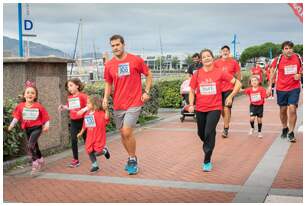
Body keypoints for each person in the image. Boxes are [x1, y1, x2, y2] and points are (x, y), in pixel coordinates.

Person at [103, 34, 153, 175]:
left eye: (118, 45)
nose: (115, 48)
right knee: (123, 135)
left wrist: (146, 91)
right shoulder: (109, 65)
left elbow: (149, 74)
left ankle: (132, 159)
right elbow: (108, 83)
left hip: (134, 101)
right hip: (119, 104)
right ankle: (131, 157)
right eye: (113, 46)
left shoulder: (135, 60)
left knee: (127, 131)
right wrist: (105, 98)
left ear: (123, 45)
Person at [188, 49, 241, 172]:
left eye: (209, 56)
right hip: (200, 108)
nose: (206, 58)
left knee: (208, 132)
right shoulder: (197, 74)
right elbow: (191, 90)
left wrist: (230, 96)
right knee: (201, 133)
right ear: (201, 60)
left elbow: (237, 83)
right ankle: (210, 139)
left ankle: (207, 160)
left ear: (213, 58)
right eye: (204, 57)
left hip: (215, 108)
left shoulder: (219, 73)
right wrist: (191, 104)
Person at [8, 81, 50, 176]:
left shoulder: (39, 106)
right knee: (35, 145)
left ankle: (35, 163)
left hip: (37, 128)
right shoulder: (20, 106)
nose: (30, 94)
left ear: (35, 96)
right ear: (24, 95)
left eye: (32, 93)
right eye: (28, 92)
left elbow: (46, 117)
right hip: (27, 128)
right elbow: (16, 117)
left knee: (30, 145)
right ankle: (40, 159)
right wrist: (11, 125)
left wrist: (47, 125)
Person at [267, 41, 303, 142]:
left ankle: (291, 132)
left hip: (294, 88)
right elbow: (272, 73)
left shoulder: (298, 58)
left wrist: (300, 75)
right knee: (283, 110)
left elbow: (303, 69)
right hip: (281, 88)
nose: (288, 50)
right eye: (286, 49)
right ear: (282, 50)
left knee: (292, 109)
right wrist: (270, 86)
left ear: (293, 49)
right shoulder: (278, 60)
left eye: (290, 48)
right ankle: (284, 127)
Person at [58, 78, 88, 167]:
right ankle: (76, 159)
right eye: (68, 87)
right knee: (73, 140)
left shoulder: (83, 96)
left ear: (77, 86)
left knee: (87, 141)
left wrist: (83, 110)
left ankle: (97, 152)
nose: (69, 88)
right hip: (74, 121)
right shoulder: (70, 97)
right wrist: (64, 107)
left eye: (71, 85)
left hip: (83, 121)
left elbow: (89, 105)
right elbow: (70, 107)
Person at [77, 96, 111, 173]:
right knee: (89, 150)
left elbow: (106, 118)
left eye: (88, 103)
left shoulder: (100, 113)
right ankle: (95, 165)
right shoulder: (87, 113)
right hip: (90, 136)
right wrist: (81, 132)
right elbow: (84, 124)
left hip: (98, 135)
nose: (87, 105)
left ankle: (104, 150)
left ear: (95, 104)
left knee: (97, 151)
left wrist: (106, 110)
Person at [214, 45, 241, 138]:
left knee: (226, 108)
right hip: (218, 89)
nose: (225, 52)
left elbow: (238, 75)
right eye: (223, 51)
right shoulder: (216, 63)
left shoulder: (234, 62)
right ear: (220, 52)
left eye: (227, 51)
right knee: (222, 110)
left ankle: (225, 128)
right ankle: (227, 118)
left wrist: (238, 86)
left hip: (229, 88)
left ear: (229, 52)